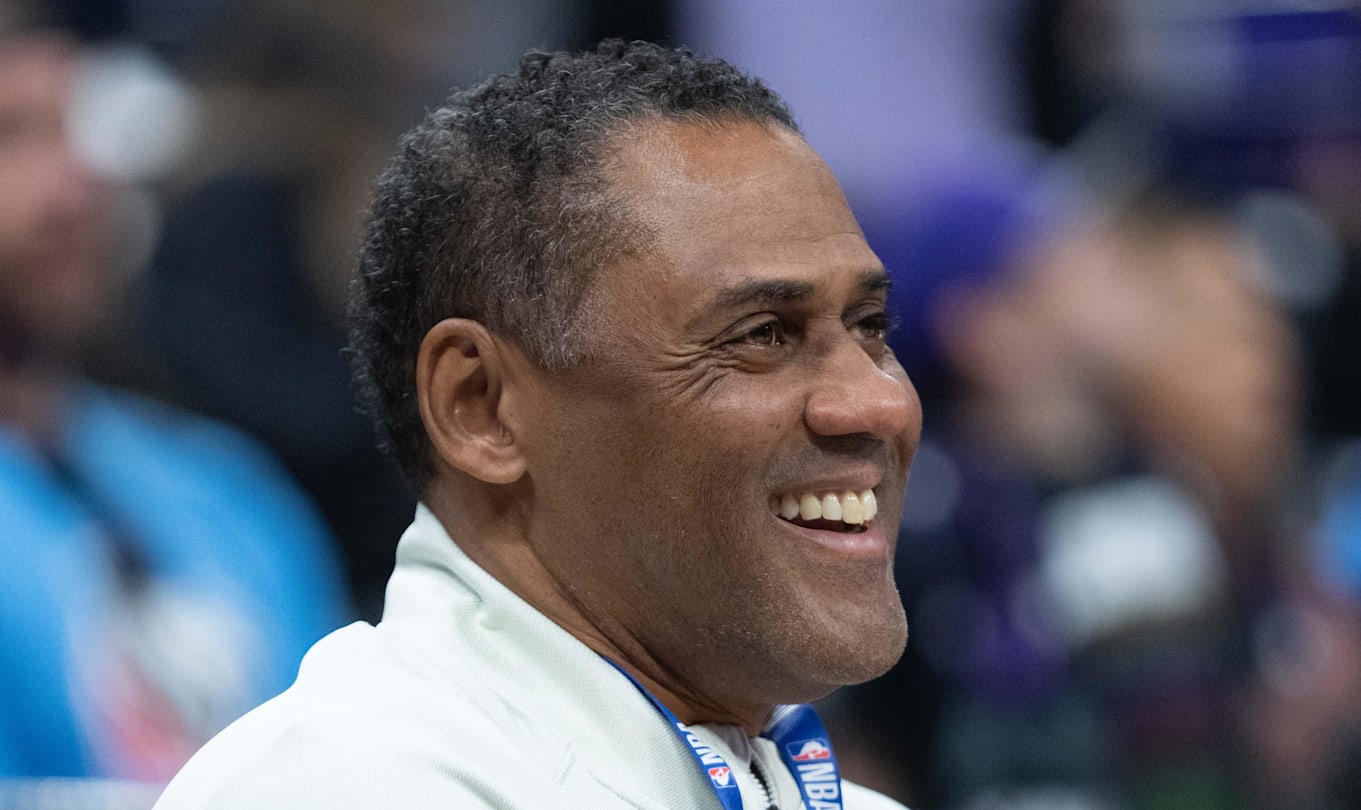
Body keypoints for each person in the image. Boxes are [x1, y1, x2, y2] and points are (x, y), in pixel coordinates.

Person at [156, 39, 922, 809]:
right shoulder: (347, 786)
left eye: (869, 324)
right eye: (762, 334)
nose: (879, 403)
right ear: (480, 407)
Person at [0, 26, 348, 782]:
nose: (74, 183)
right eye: (12, 136)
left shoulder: (226, 490)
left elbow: (339, 774)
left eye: (79, 132)